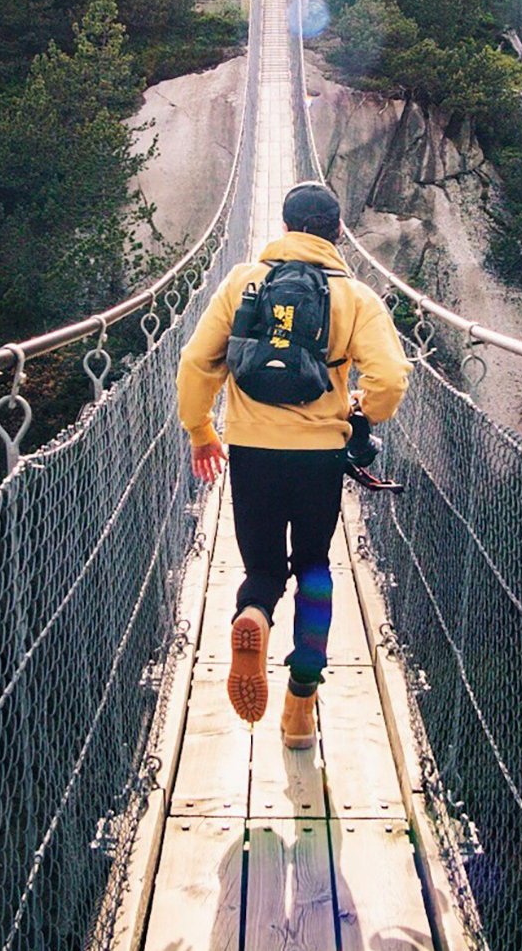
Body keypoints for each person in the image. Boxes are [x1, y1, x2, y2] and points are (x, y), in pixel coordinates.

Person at [176, 181, 409, 746]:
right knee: (313, 569)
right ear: (336, 233)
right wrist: (360, 413)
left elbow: (196, 361)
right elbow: (390, 379)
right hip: (319, 459)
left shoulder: (242, 282)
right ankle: (300, 705)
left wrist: (201, 430)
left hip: (252, 451)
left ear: (283, 229)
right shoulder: (355, 297)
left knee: (262, 569)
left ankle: (252, 613)